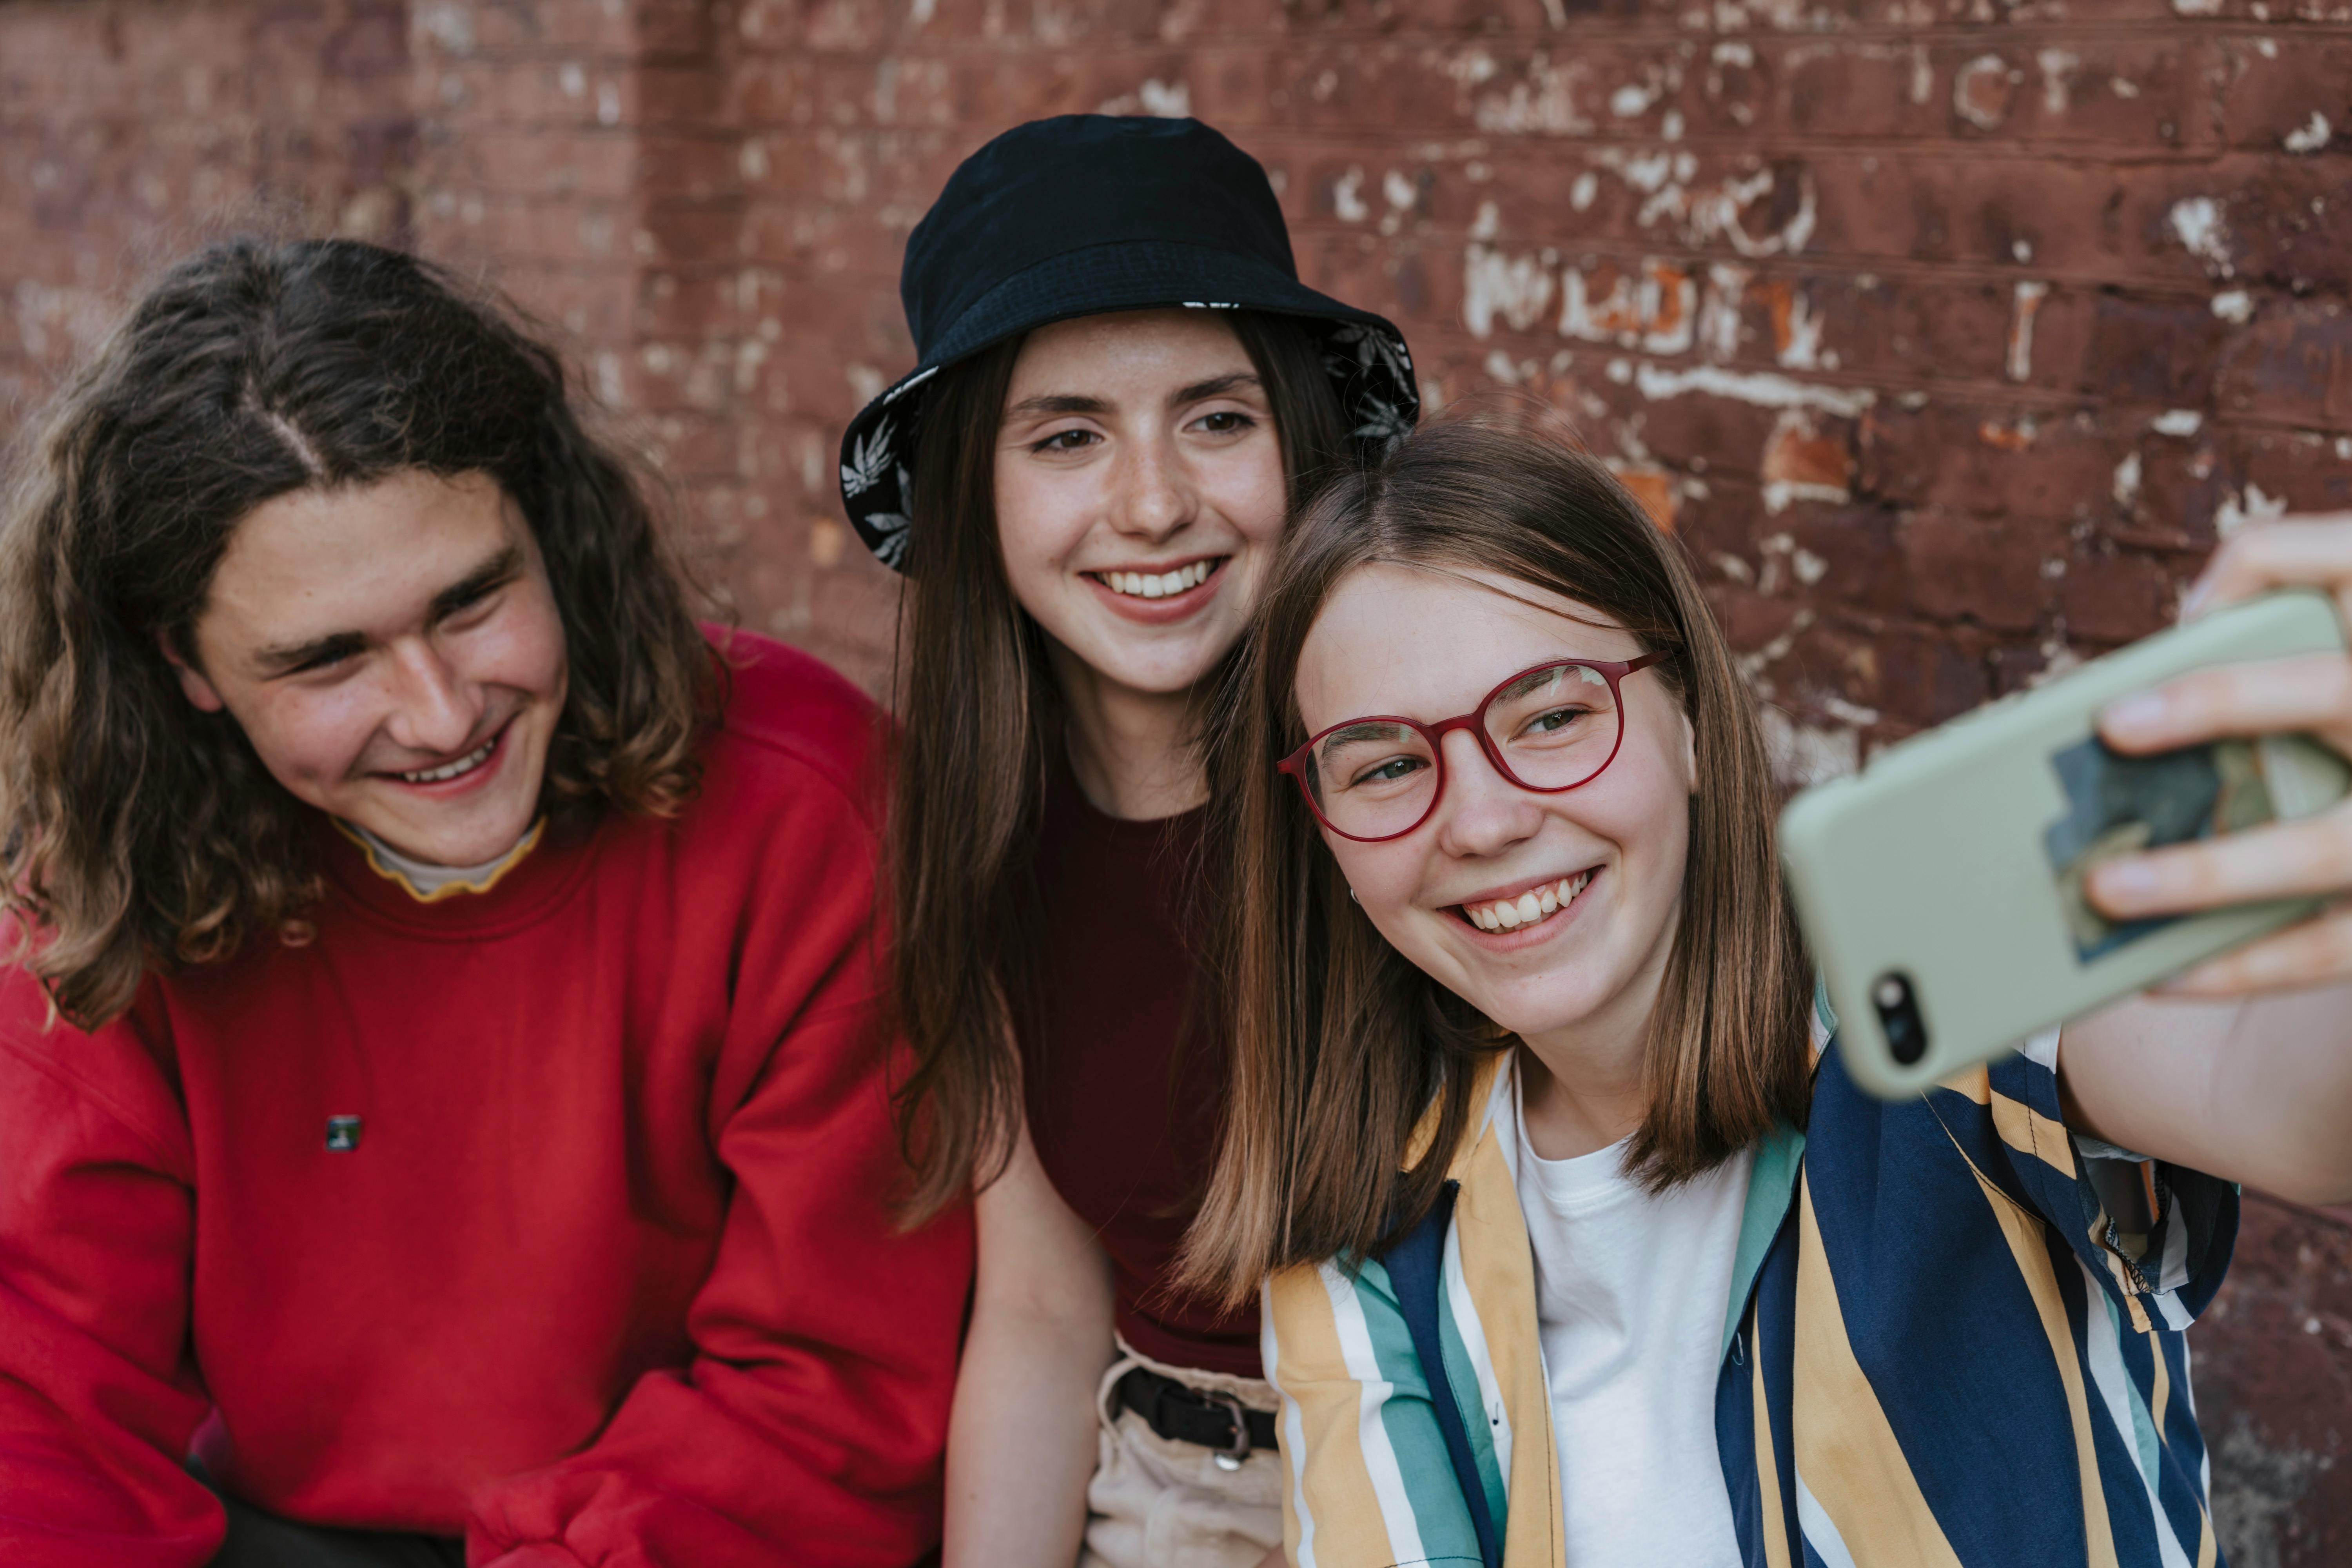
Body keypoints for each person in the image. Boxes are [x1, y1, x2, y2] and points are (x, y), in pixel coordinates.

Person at [1188, 418, 2352, 1568]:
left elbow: (2291, 1105)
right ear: (1324, 834)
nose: (1483, 822)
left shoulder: (1929, 980)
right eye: (1388, 765)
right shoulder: (1362, 1218)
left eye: (1551, 717)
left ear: (1688, 722)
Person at [0, 238, 971, 1568]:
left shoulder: (808, 808)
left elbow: (837, 1396)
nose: (443, 713)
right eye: (329, 659)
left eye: (472, 602)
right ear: (186, 664)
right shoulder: (103, 885)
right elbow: (35, 1417)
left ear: (547, 534)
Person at [836, 116, 1415, 1568]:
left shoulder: (1425, 777)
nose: (1153, 504)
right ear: (974, 482)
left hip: (1463, 1468)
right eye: (1070, 436)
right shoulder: (979, 845)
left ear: (1304, 441)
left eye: (1218, 419)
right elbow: (1039, 1312)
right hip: (1167, 1490)